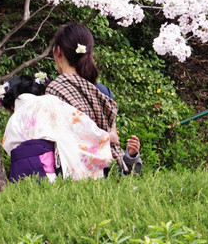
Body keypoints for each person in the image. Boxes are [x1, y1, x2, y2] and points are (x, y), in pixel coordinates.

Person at [45, 22, 142, 175]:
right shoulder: (102, 92)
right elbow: (113, 141)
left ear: (58, 51)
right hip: (105, 173)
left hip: (70, 175)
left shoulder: (55, 90)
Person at [0, 74, 112, 182]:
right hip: (45, 169)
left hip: (17, 173)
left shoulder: (11, 122)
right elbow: (79, 125)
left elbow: (9, 148)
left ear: (11, 105)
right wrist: (106, 137)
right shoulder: (47, 101)